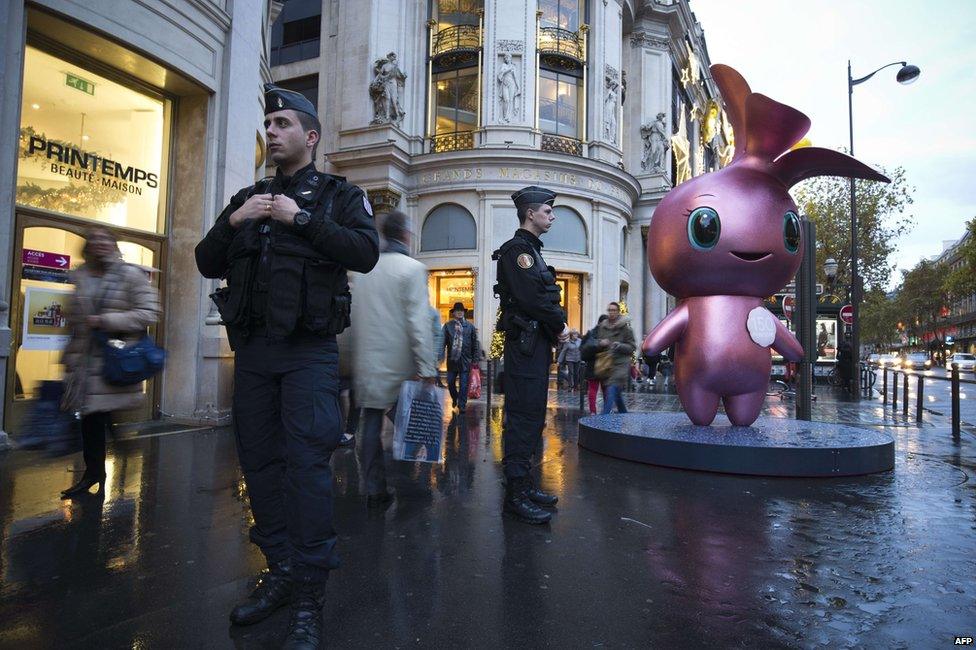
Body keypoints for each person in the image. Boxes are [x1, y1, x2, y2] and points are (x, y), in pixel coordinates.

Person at [194, 84, 379, 649]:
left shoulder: (339, 196)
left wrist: (301, 221)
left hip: (308, 355)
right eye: (268, 123)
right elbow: (205, 262)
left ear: (310, 136)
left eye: (282, 123)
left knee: (305, 469)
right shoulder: (248, 198)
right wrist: (235, 221)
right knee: (260, 466)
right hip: (253, 355)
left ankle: (309, 598)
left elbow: (365, 253)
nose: (271, 131)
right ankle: (280, 571)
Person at [59, 226, 161, 498]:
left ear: (114, 246)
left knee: (93, 417)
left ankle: (95, 475)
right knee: (92, 418)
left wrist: (105, 321)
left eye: (106, 239)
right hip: (84, 360)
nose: (100, 243)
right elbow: (74, 322)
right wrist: (69, 355)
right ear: (87, 246)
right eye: (95, 238)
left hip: (113, 358)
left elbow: (149, 313)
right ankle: (99, 470)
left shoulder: (130, 275)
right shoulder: (80, 276)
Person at [492, 185, 569, 524]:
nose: (552, 216)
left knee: (533, 415)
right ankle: (515, 496)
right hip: (525, 346)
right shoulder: (518, 252)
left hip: (534, 346)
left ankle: (525, 485)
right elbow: (534, 300)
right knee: (522, 418)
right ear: (530, 214)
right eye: (547, 211)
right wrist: (561, 325)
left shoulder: (532, 251)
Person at [351, 211, 437, 507]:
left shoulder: (364, 270)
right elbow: (418, 321)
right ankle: (407, 481)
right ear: (405, 234)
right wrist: (427, 367)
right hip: (401, 366)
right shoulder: (412, 269)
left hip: (368, 363)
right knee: (409, 424)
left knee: (371, 425)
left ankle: (374, 487)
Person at [593, 302, 636, 414]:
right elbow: (596, 342)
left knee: (611, 389)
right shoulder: (602, 327)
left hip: (621, 364)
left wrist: (620, 345)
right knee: (616, 394)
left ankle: (604, 417)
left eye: (614, 310)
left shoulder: (626, 329)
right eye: (610, 310)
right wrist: (600, 343)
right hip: (607, 363)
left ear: (618, 312)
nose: (612, 313)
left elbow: (632, 347)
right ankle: (623, 414)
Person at [441, 302, 480, 413]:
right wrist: (440, 355)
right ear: (454, 313)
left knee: (463, 385)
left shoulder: (470, 327)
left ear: (464, 313)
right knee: (450, 383)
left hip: (465, 361)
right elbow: (442, 343)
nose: (459, 312)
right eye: (457, 310)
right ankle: (454, 398)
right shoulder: (448, 326)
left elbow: (474, 344)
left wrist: (475, 359)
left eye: (461, 310)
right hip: (452, 361)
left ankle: (462, 404)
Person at [580, 315, 609, 413]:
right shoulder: (592, 333)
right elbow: (584, 349)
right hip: (593, 365)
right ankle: (593, 411)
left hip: (605, 365)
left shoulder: (608, 334)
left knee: (606, 390)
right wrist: (600, 344)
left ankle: (606, 410)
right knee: (593, 389)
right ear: (599, 323)